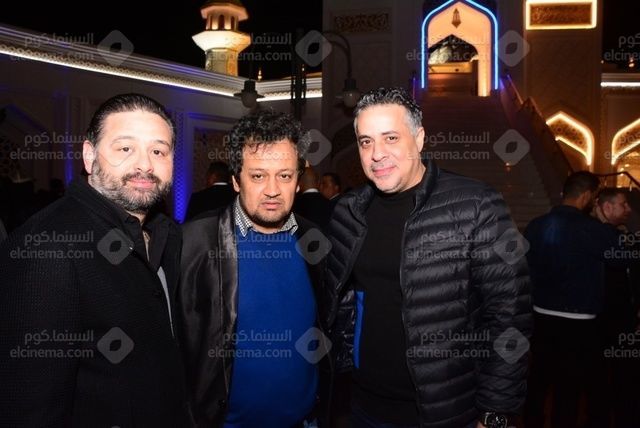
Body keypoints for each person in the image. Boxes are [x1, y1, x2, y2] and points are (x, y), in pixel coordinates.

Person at [324, 87, 532, 428]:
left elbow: (510, 316)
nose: (377, 154)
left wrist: (495, 413)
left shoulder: (476, 205)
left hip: (447, 412)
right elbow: (340, 303)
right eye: (366, 141)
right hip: (363, 406)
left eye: (391, 138)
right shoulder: (348, 211)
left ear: (419, 139)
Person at [0, 93, 188, 426]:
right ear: (89, 156)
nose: (145, 165)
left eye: (158, 151)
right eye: (125, 148)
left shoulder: (169, 235)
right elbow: (30, 409)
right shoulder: (46, 247)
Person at [178, 109, 330, 427]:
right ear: (236, 180)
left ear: (298, 181)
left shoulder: (314, 240)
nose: (272, 189)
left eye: (285, 176)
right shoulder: (194, 242)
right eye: (258, 176)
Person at [523, 172, 626, 428]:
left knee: (539, 379)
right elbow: (620, 258)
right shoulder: (591, 229)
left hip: (541, 316)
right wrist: (606, 225)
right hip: (579, 321)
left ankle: (532, 422)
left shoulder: (536, 225)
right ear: (587, 196)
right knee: (568, 386)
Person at [594, 187, 639, 427]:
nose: (629, 209)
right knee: (601, 377)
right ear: (607, 207)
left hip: (625, 321)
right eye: (624, 204)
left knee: (626, 377)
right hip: (601, 320)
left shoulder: (623, 235)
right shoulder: (595, 235)